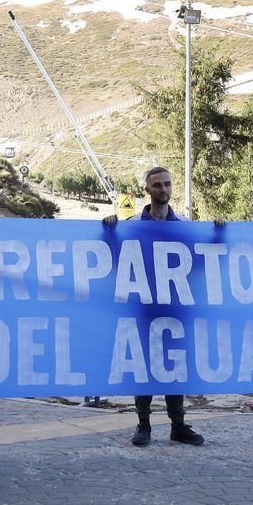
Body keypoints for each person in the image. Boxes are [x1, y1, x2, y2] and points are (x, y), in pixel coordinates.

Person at [103, 166, 209, 448]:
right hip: (144, 306)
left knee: (175, 363)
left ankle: (178, 425)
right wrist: (110, 231)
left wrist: (219, 232)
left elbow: (203, 257)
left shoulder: (184, 225)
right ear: (147, 190)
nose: (164, 189)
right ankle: (144, 424)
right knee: (144, 365)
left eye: (167, 184)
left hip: (176, 305)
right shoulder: (133, 225)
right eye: (158, 185)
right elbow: (115, 257)